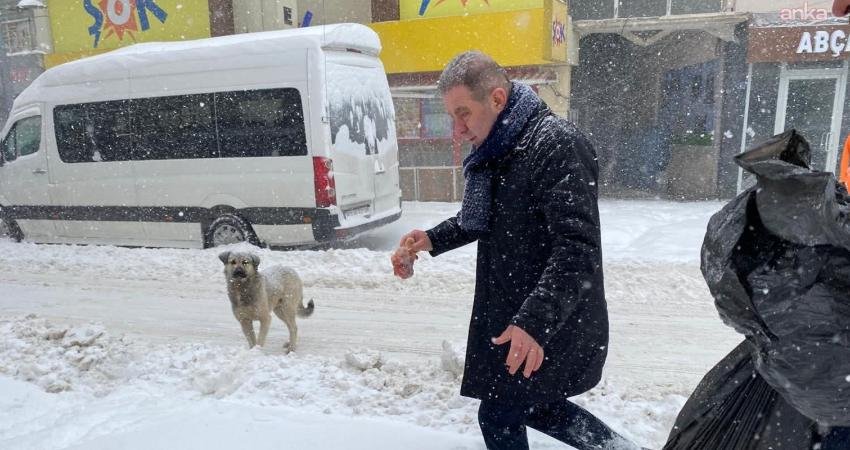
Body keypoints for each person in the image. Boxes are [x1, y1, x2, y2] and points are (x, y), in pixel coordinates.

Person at [391, 51, 639, 450]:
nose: (458, 130)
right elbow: (482, 219)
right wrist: (432, 238)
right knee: (534, 407)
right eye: (452, 117)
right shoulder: (499, 151)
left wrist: (535, 322)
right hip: (515, 314)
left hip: (546, 319)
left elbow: (577, 250)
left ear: (496, 100)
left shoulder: (555, 145)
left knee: (499, 414)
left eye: (463, 113)